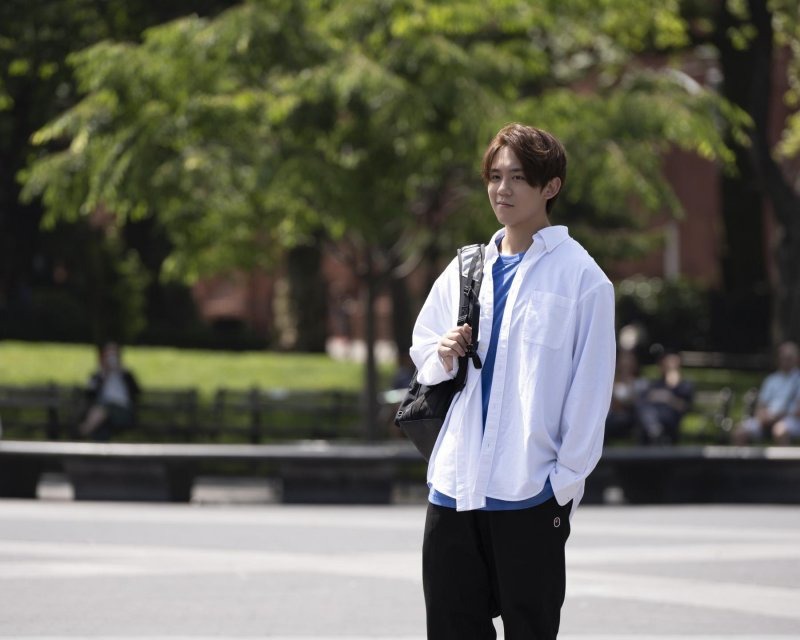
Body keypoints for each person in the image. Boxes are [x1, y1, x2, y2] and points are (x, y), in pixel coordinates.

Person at [409, 123, 615, 639]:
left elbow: (590, 393)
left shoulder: (583, 280)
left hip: (529, 492)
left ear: (551, 187)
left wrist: (561, 485)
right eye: (495, 176)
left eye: (518, 177)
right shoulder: (466, 267)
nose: (502, 189)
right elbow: (423, 352)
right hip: (454, 488)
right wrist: (444, 353)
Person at [732, 341, 800, 445]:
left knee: (779, 431)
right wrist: (764, 417)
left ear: (797, 359)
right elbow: (760, 406)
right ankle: (741, 456)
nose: (785, 361)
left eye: (789, 358)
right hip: (767, 420)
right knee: (739, 432)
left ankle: (783, 456)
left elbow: (797, 412)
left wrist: (777, 417)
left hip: (791, 420)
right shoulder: (771, 380)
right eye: (783, 358)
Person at [79, 342, 140, 441]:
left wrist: (121, 371)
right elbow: (89, 394)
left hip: (122, 411)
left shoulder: (126, 375)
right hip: (101, 412)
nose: (111, 358)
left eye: (114, 354)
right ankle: (88, 438)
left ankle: (82, 432)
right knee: (102, 425)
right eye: (108, 355)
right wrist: (104, 375)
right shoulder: (97, 376)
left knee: (102, 412)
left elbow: (137, 392)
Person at [637, 349, 694, 445]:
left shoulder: (685, 386)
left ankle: (654, 431)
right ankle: (654, 430)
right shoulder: (656, 384)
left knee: (650, 415)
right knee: (644, 409)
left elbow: (685, 407)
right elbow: (643, 400)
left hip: (671, 418)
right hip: (652, 417)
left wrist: (668, 398)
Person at [604, 348, 648, 442]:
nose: (626, 364)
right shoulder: (610, 382)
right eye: (623, 361)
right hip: (613, 418)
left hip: (633, 418)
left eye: (629, 361)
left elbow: (640, 403)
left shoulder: (641, 383)